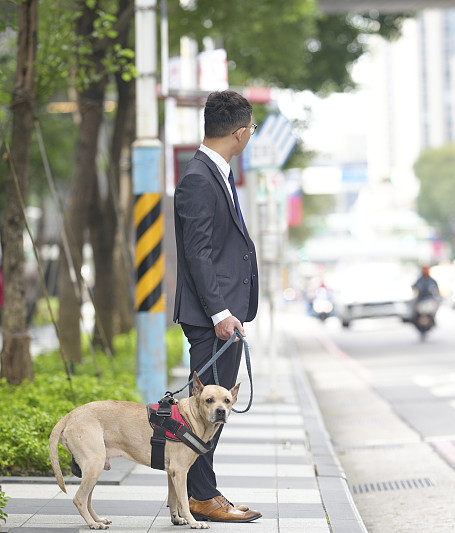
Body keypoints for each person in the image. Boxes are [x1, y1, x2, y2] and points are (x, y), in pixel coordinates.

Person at [172, 90, 261, 523]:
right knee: (206, 413)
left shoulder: (214, 173)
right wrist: (220, 313)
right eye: (253, 129)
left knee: (213, 413)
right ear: (241, 133)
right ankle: (200, 496)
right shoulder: (199, 178)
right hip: (213, 319)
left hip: (223, 315)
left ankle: (201, 492)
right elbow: (198, 252)